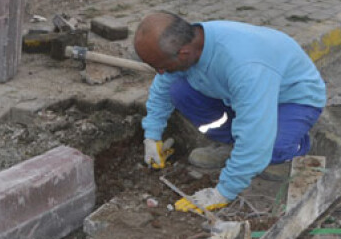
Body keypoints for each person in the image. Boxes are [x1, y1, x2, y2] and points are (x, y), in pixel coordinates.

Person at [134, 12, 325, 214]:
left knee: (267, 149)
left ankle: (292, 147)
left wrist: (223, 192)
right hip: (240, 94)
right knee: (179, 92)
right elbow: (162, 88)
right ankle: (235, 147)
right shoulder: (191, 41)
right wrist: (152, 135)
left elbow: (254, 133)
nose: (160, 72)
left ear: (183, 53)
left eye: (161, 66)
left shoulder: (245, 66)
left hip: (293, 99)